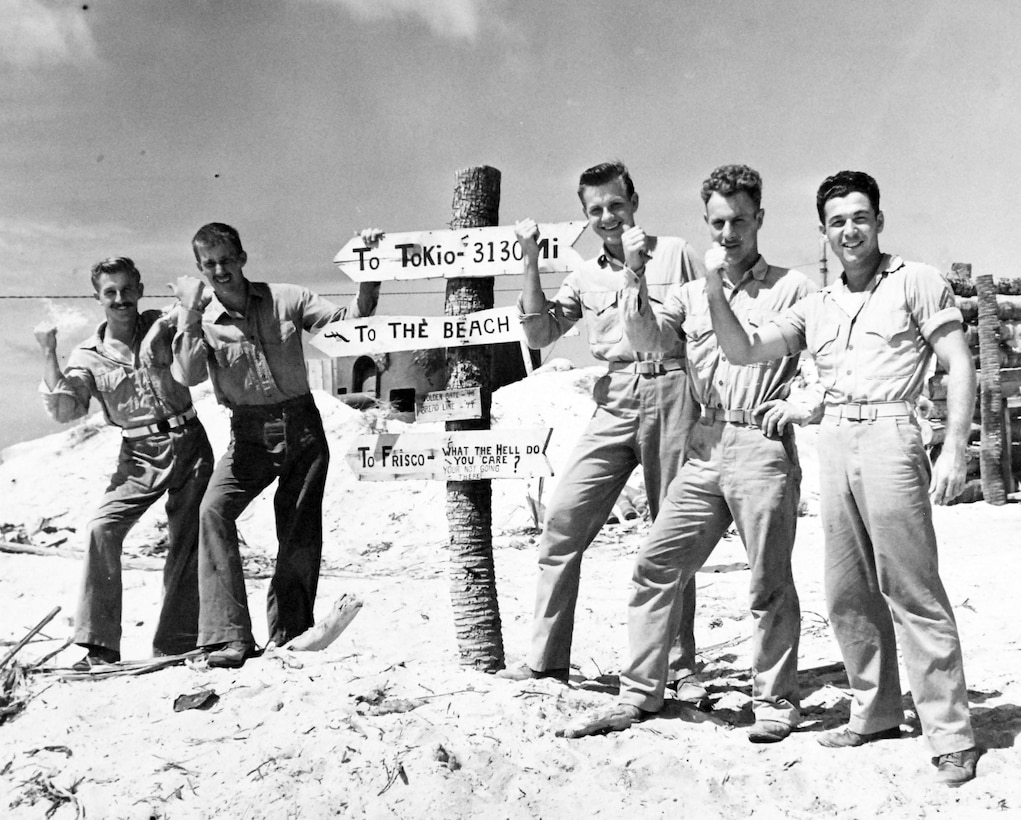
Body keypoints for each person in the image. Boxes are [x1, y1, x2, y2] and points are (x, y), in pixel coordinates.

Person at [696, 170, 979, 785]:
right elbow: (743, 350)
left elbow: (959, 361)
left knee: (911, 588)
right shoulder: (816, 305)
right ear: (822, 233)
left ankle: (952, 733)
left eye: (859, 217)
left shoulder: (917, 281)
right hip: (833, 440)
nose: (849, 231)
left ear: (879, 219)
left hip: (891, 436)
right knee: (846, 590)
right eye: (836, 222)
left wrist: (955, 447)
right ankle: (874, 712)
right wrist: (716, 291)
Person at [561, 164, 817, 743]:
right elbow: (648, 340)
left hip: (760, 445)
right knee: (656, 564)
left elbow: (822, 360)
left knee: (767, 581)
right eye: (718, 222)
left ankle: (775, 700)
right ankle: (640, 693)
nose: (728, 234)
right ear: (706, 222)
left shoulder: (793, 287)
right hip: (704, 443)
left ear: (760, 219)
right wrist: (633, 272)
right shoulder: (687, 292)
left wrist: (801, 403)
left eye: (740, 221)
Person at [499, 161, 703, 695]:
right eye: (596, 211)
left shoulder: (677, 252)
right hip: (613, 399)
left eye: (616, 205)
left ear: (634, 199)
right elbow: (541, 332)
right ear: (585, 217)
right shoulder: (584, 275)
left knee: (671, 531)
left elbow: (706, 324)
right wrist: (528, 259)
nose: (608, 217)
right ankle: (546, 661)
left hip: (674, 390)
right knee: (564, 518)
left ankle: (678, 667)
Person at [169, 223, 380, 668]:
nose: (221, 270)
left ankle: (290, 633)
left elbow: (352, 324)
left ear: (243, 257)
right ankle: (229, 637)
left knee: (299, 528)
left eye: (228, 259)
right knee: (213, 510)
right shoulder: (200, 321)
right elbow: (186, 374)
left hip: (302, 425)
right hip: (247, 435)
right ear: (199, 268)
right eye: (210, 265)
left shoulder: (288, 298)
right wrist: (189, 313)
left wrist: (370, 272)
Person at [35, 257, 214, 670]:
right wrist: (49, 353)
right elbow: (66, 409)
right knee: (103, 528)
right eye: (109, 292)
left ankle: (176, 642)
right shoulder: (87, 355)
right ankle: (100, 646)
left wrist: (189, 306)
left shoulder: (162, 323)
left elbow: (194, 353)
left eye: (126, 290)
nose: (120, 299)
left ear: (139, 290)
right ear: (97, 298)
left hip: (188, 441)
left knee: (188, 539)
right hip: (137, 454)